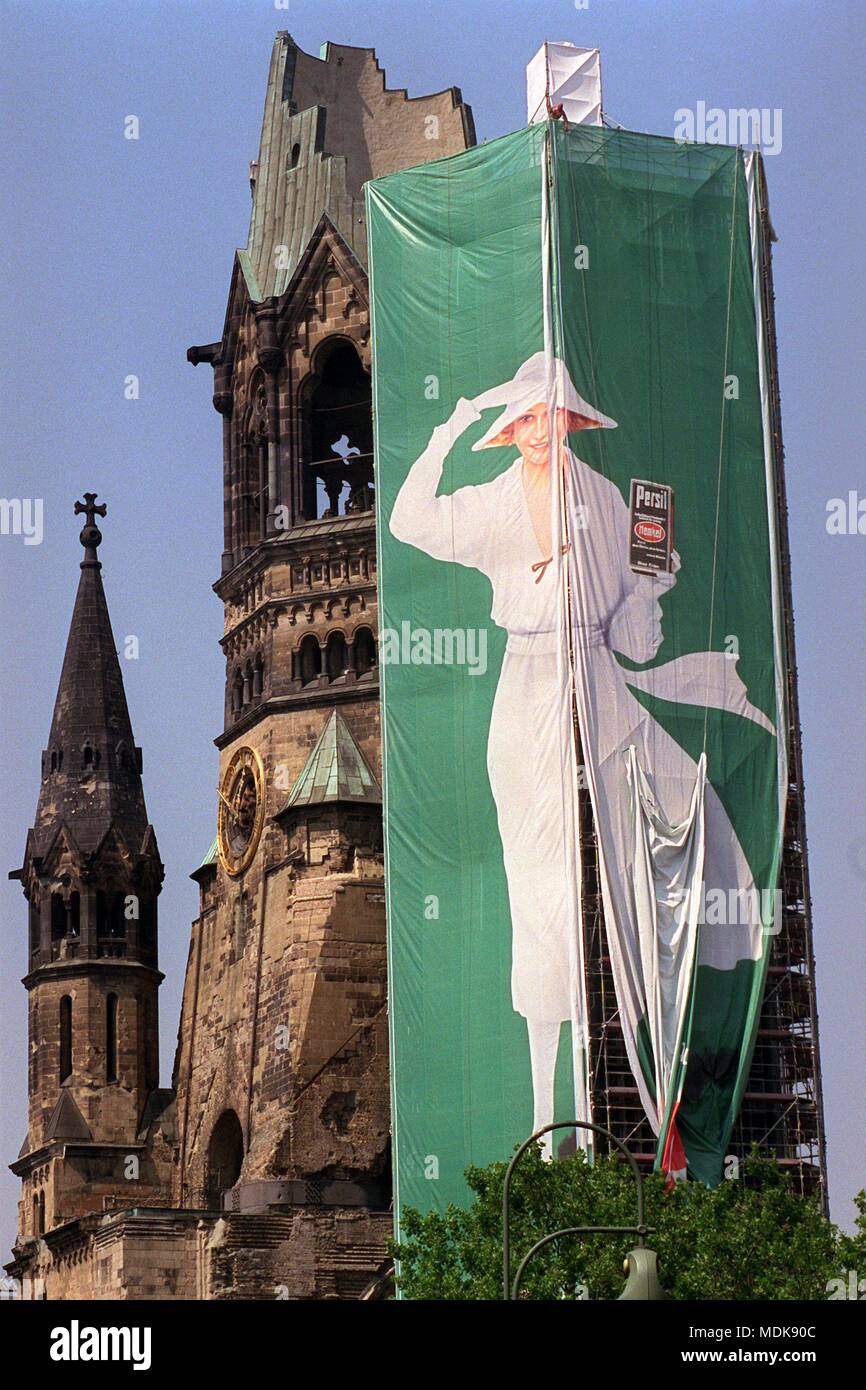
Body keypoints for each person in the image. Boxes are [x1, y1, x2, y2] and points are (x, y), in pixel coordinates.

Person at [389, 352, 774, 1164]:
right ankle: (545, 1111)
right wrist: (445, 431)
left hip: (596, 683)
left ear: (568, 421)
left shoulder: (604, 501)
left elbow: (639, 618)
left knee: (638, 854)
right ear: (511, 429)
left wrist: (648, 593)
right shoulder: (494, 503)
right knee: (539, 895)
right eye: (522, 419)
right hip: (527, 692)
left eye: (547, 416)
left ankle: (650, 1076)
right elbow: (408, 522)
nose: (534, 430)